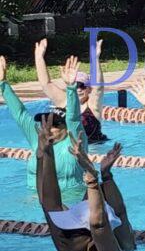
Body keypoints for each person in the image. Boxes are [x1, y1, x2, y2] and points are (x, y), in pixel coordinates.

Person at [36, 115, 128, 251]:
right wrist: (45, 153)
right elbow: (48, 204)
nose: (63, 234)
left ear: (92, 240)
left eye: (71, 232)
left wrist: (93, 180)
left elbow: (99, 225)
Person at [1, 55, 86, 199]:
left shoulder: (74, 141)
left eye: (55, 124)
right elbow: (19, 113)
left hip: (69, 201)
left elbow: (73, 117)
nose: (48, 127)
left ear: (66, 128)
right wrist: (2, 83)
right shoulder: (38, 138)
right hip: (34, 203)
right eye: (45, 122)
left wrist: (71, 88)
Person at [34, 38, 106, 143]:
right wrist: (39, 58)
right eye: (75, 85)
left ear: (89, 89)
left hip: (93, 149)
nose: (78, 89)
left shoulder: (92, 106)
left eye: (82, 86)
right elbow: (46, 84)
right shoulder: (63, 100)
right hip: (67, 147)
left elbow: (99, 87)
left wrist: (95, 59)